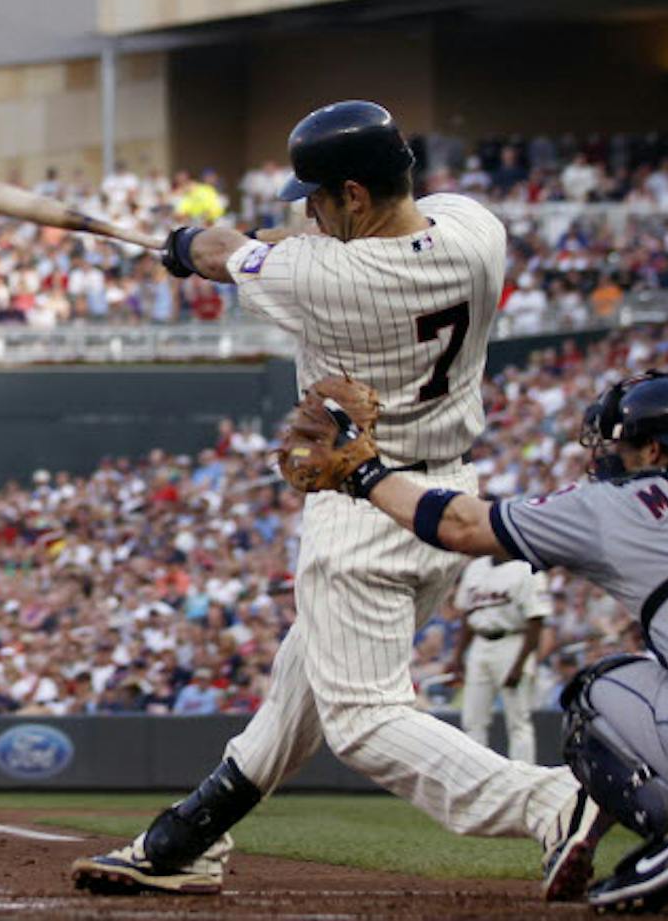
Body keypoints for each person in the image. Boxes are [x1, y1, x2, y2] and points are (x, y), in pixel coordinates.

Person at [71, 100, 598, 900]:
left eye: (317, 196)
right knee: (303, 684)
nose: (308, 210)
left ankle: (551, 799)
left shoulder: (322, 275)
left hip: (361, 503)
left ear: (353, 194)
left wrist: (183, 246)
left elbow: (222, 252)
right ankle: (185, 837)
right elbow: (314, 246)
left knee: (364, 718)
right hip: (447, 495)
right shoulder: (473, 229)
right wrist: (277, 242)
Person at [280, 371, 668, 913]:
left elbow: (459, 524)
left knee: (596, 689)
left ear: (653, 450)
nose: (606, 459)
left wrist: (367, 474)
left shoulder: (611, 504)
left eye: (616, 446)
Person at [451, 554, 550, 763]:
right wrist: (458, 655)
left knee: (518, 720)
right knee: (472, 720)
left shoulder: (527, 568)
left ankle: (523, 779)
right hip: (480, 643)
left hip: (513, 642)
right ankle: (476, 776)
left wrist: (520, 664)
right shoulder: (476, 567)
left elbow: (536, 621)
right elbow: (467, 616)